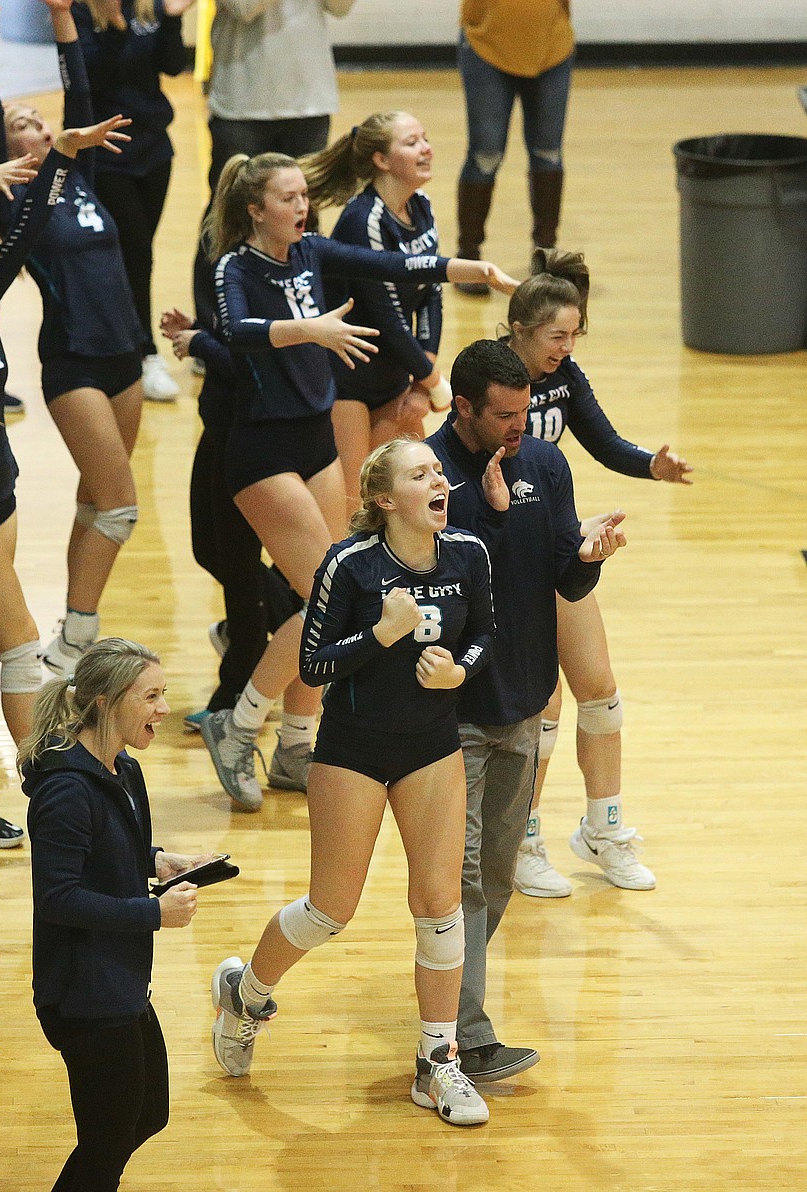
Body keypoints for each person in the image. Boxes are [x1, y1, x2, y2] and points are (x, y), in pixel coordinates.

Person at [198, 151, 514, 811]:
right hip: (260, 447)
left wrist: (465, 268)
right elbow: (234, 329)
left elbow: (394, 267)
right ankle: (239, 723)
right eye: (286, 199)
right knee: (322, 596)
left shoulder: (311, 252)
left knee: (331, 598)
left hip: (314, 439)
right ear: (256, 209)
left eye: (301, 197)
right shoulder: (237, 265)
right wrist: (309, 329)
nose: (300, 208)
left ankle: (295, 741)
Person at [210, 438, 495, 1127]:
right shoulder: (351, 563)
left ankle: (437, 1062)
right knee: (330, 909)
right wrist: (383, 635)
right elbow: (311, 667)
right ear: (383, 499)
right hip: (353, 752)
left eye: (438, 471)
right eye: (419, 473)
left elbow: (486, 633)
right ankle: (246, 995)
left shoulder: (468, 553)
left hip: (431, 745)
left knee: (439, 903)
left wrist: (461, 672)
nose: (438, 480)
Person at [0, 1, 130, 845]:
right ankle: (53, 784)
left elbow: (14, 231)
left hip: (1, 486)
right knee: (13, 648)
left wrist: (66, 149)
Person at [426, 338, 626, 1083]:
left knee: (499, 875)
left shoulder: (545, 465)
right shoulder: (428, 474)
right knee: (467, 875)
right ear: (464, 407)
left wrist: (588, 559)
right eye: (504, 415)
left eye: (524, 412)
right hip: (450, 714)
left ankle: (445, 988)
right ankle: (460, 1040)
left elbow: (559, 585)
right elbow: (435, 585)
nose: (519, 426)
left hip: (523, 701)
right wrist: (493, 514)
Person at [499, 250, 690, 896]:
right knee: (541, 706)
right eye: (557, 335)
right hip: (504, 555)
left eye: (574, 335)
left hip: (556, 543)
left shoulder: (563, 376)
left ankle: (602, 830)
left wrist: (650, 466)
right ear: (520, 329)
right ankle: (520, 841)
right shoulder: (492, 381)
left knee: (600, 693)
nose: (566, 347)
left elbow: (603, 440)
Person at [21, 638, 208, 1191]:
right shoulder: (65, 792)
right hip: (82, 990)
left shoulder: (122, 769)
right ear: (104, 701)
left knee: (148, 1113)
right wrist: (154, 912)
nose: (163, 709)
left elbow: (107, 850)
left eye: (163, 694)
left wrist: (158, 861)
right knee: (107, 1138)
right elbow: (58, 898)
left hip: (118, 977)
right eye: (150, 696)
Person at [13, 0, 150, 676]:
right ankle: (78, 639)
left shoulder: (80, 178)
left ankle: (72, 624)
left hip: (126, 355)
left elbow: (79, 93)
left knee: (95, 501)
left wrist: (65, 15)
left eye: (40, 121)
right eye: (21, 124)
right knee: (120, 508)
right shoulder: (15, 204)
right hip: (74, 363)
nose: (37, 127)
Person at [303, 112, 455, 505]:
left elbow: (432, 293)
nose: (426, 149)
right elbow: (384, 312)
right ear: (381, 160)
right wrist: (433, 380)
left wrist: (424, 379)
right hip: (347, 380)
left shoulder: (421, 206)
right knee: (356, 503)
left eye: (425, 138)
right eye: (411, 142)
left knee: (408, 499)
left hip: (396, 375)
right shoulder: (363, 219)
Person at [161, 307, 302, 728]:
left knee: (239, 566)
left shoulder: (257, 271)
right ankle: (309, 627)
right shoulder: (235, 266)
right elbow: (242, 340)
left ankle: (238, 686)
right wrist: (203, 331)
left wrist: (200, 343)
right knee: (208, 549)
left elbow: (255, 366)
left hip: (251, 432)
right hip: (221, 425)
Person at [191, 0, 356, 322]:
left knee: (304, 217)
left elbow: (341, 7)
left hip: (309, 100)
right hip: (242, 102)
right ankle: (212, 329)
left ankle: (300, 320)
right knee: (228, 216)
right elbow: (244, 7)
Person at [74, 0, 192, 401]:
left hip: (154, 150)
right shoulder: (76, 11)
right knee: (135, 252)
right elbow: (91, 78)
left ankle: (128, 346)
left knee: (137, 254)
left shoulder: (150, 6)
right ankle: (143, 354)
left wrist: (173, 19)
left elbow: (173, 65)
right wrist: (116, 27)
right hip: (108, 154)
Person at [454, 0, 575, 289]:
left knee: (548, 154)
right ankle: (469, 259)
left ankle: (545, 256)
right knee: (486, 155)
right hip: (487, 45)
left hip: (552, 47)